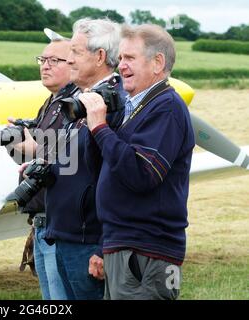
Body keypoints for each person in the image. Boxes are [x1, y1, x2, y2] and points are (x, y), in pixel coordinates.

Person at [83, 24, 195, 300]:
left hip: (146, 249)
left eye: (129, 58)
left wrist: (100, 129)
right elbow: (105, 171)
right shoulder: (133, 107)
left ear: (157, 63)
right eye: (120, 58)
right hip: (125, 244)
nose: (121, 66)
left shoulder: (166, 107)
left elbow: (141, 174)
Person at [42, 18, 123, 300]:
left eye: (75, 52)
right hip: (66, 234)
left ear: (100, 56)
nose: (69, 59)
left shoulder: (112, 104)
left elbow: (117, 180)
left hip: (88, 242)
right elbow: (81, 163)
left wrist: (104, 247)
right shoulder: (82, 100)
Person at [11, 31, 75, 300]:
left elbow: (72, 158)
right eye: (42, 59)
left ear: (74, 64)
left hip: (60, 225)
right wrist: (17, 144)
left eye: (53, 60)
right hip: (41, 222)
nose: (45, 65)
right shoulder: (50, 103)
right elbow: (36, 158)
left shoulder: (75, 104)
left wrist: (35, 147)